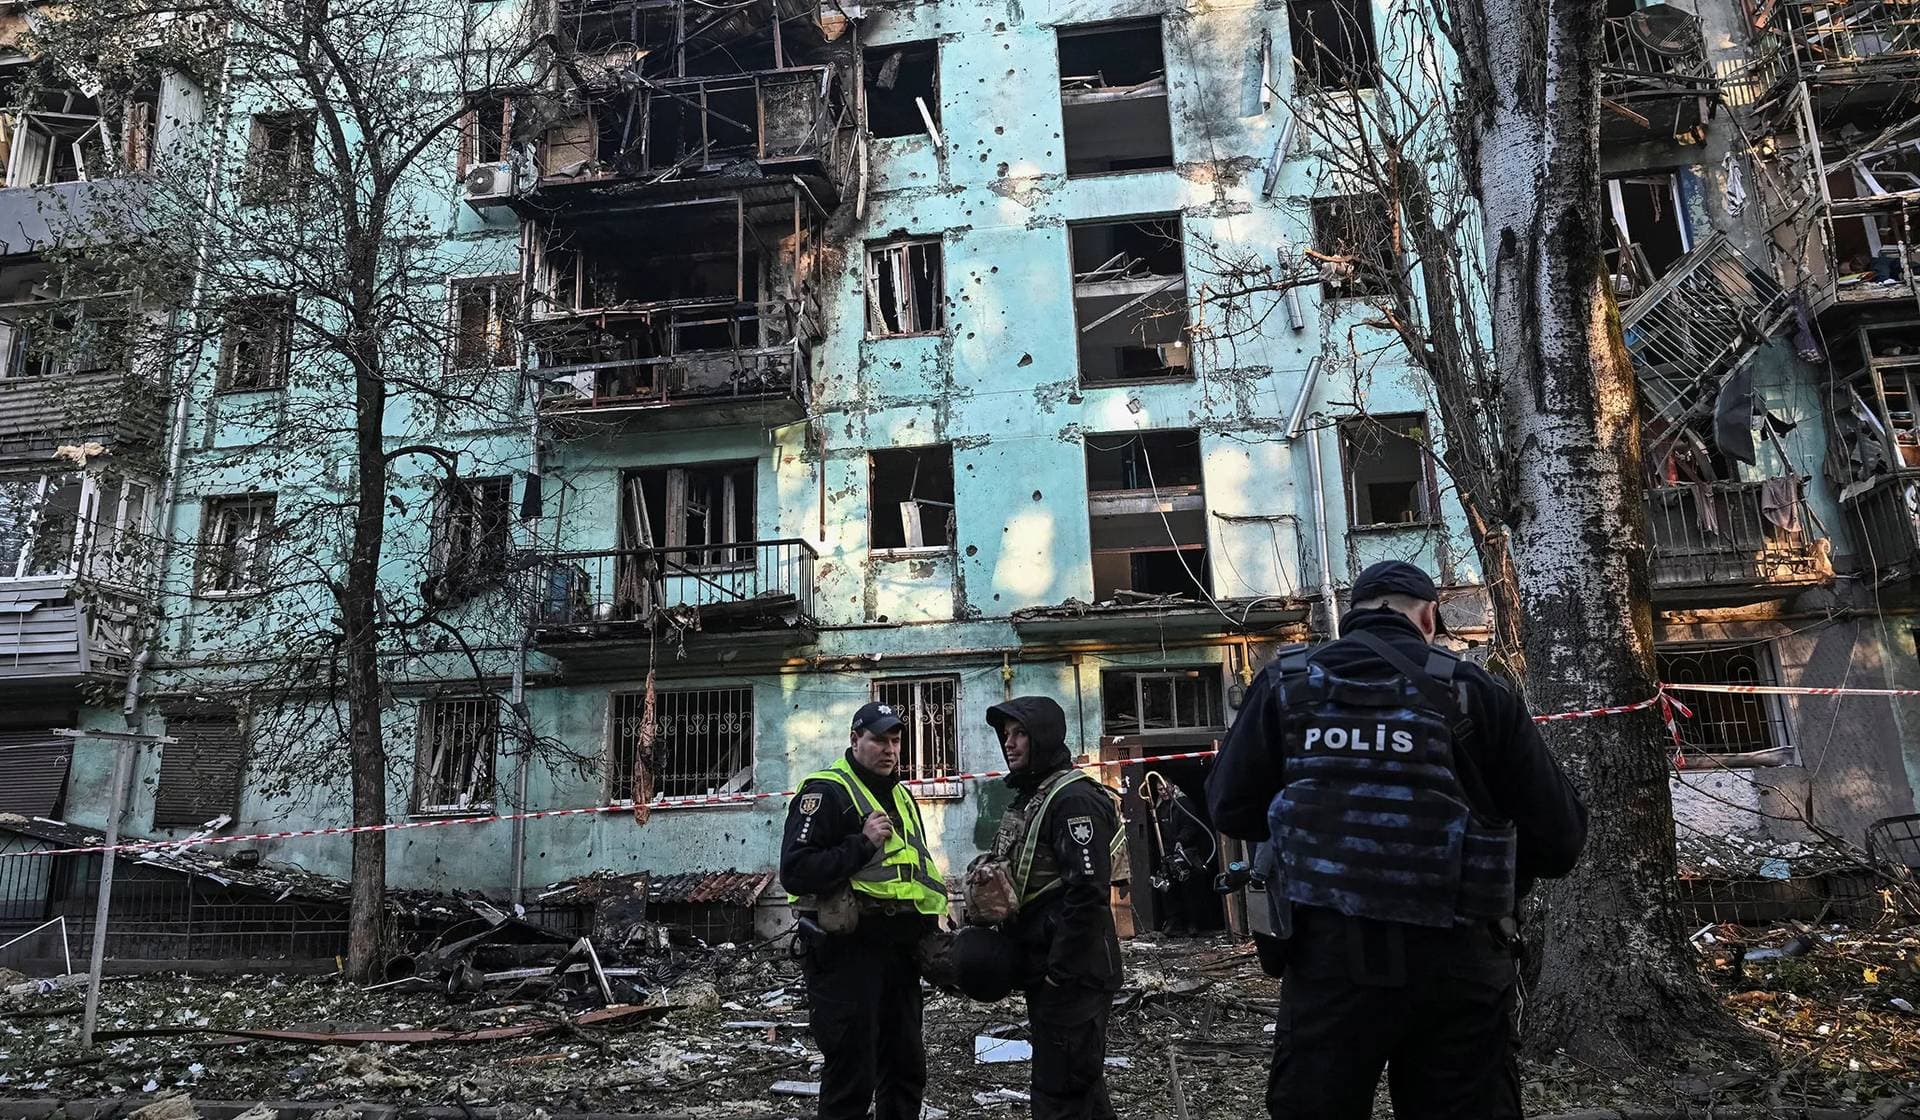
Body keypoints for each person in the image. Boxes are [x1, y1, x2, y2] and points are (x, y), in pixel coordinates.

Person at [1206, 561, 1588, 1120]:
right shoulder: (1475, 690)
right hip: (1457, 960)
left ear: (1352, 615)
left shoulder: (1286, 684)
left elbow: (1230, 809)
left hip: (1327, 957)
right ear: (1429, 617)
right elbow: (1560, 841)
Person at [781, 701, 948, 1120]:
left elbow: (912, 871)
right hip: (847, 953)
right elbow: (796, 871)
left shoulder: (901, 795)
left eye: (895, 741)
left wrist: (934, 923)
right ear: (855, 740)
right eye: (878, 740)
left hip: (900, 953)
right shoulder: (825, 791)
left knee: (906, 1067)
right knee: (852, 1072)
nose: (889, 750)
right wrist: (862, 843)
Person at [980, 695, 1124, 1120]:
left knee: (1060, 1093)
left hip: (1075, 974)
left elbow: (1087, 894)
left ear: (1042, 736)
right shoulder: (1034, 796)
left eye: (1020, 733)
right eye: (1006, 735)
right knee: (1080, 1088)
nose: (1010, 744)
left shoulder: (1073, 800)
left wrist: (1061, 974)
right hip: (1051, 971)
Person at [1147, 777, 1217, 936]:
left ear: (1172, 786)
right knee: (1168, 890)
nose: (1163, 792)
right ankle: (1173, 923)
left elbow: (1190, 825)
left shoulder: (1183, 804)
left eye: (1165, 788)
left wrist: (1181, 840)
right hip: (1168, 853)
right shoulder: (1159, 807)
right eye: (1160, 789)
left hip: (1186, 853)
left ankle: (1193, 923)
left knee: (1189, 889)